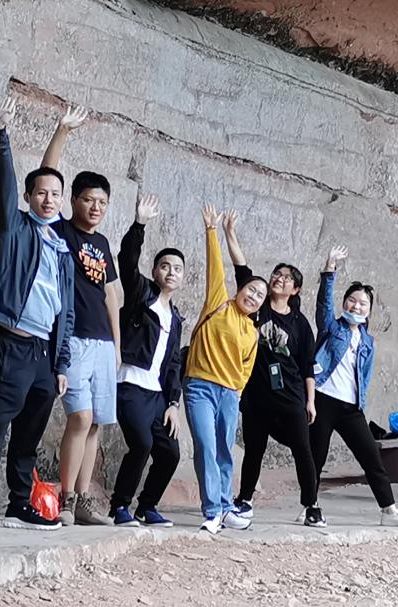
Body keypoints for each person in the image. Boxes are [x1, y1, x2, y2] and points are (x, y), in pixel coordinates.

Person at [0, 97, 76, 535]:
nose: (48, 200)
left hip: (44, 355)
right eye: (41, 193)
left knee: (29, 437)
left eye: (55, 194)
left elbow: (66, 312)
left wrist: (62, 363)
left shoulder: (63, 249)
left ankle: (17, 505)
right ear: (29, 198)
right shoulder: (15, 229)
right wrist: (1, 137)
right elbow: (5, 188)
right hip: (10, 343)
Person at [41, 106, 121, 527]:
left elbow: (111, 296)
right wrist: (62, 132)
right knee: (80, 417)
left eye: (102, 202)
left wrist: (118, 347)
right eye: (88, 199)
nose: (95, 207)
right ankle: (67, 497)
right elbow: (46, 178)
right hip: (73, 339)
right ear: (73, 200)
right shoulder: (62, 231)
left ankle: (85, 498)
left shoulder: (103, 243)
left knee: (96, 425)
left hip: (104, 343)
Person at [310, 246, 398, 529]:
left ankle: (389, 510)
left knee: (371, 457)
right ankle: (309, 506)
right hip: (323, 399)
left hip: (350, 407)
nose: (356, 306)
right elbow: (324, 304)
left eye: (362, 303)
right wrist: (330, 268)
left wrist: (360, 404)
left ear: (369, 310)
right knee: (315, 457)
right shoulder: (331, 327)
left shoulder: (368, 341)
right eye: (352, 300)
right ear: (344, 303)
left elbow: (365, 377)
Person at [221, 215, 320, 525]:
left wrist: (310, 401)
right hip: (256, 396)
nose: (279, 278)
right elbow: (242, 269)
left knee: (303, 450)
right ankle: (245, 500)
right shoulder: (257, 307)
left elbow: (307, 366)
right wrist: (229, 232)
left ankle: (311, 506)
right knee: (254, 449)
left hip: (290, 396)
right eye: (277, 273)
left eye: (287, 278)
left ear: (296, 289)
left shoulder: (301, 324)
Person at [185, 206, 266, 534]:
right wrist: (212, 231)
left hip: (230, 394)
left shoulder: (252, 331)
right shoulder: (219, 302)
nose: (254, 296)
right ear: (240, 289)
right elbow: (216, 268)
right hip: (200, 386)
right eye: (251, 290)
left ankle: (224, 504)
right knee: (206, 445)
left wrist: (236, 391)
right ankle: (212, 511)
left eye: (260, 296)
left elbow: (246, 368)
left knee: (224, 451)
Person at [108, 194, 184, 528]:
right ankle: (119, 507)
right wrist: (139, 225)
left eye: (177, 269)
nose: (171, 272)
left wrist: (173, 403)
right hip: (129, 385)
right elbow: (127, 260)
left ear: (183, 277)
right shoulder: (142, 295)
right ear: (155, 271)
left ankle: (147, 507)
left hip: (157, 396)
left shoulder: (176, 318)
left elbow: (174, 364)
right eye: (165, 266)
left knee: (170, 452)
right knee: (141, 444)